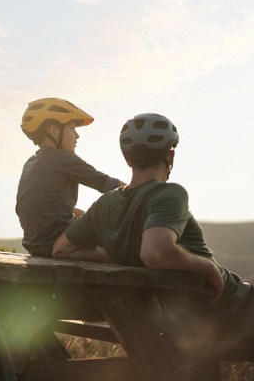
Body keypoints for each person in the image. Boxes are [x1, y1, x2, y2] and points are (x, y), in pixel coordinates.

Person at [53, 113, 254, 349]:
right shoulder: (169, 193)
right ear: (171, 155)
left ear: (128, 160)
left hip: (176, 318)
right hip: (233, 308)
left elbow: (61, 249)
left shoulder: (104, 205)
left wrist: (110, 256)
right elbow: (155, 252)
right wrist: (207, 266)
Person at [16, 98, 125, 257]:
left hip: (36, 245)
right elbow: (109, 185)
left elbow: (46, 208)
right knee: (123, 249)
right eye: (72, 128)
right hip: (57, 243)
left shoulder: (32, 163)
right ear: (54, 131)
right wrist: (142, 195)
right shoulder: (61, 159)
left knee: (84, 214)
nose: (77, 135)